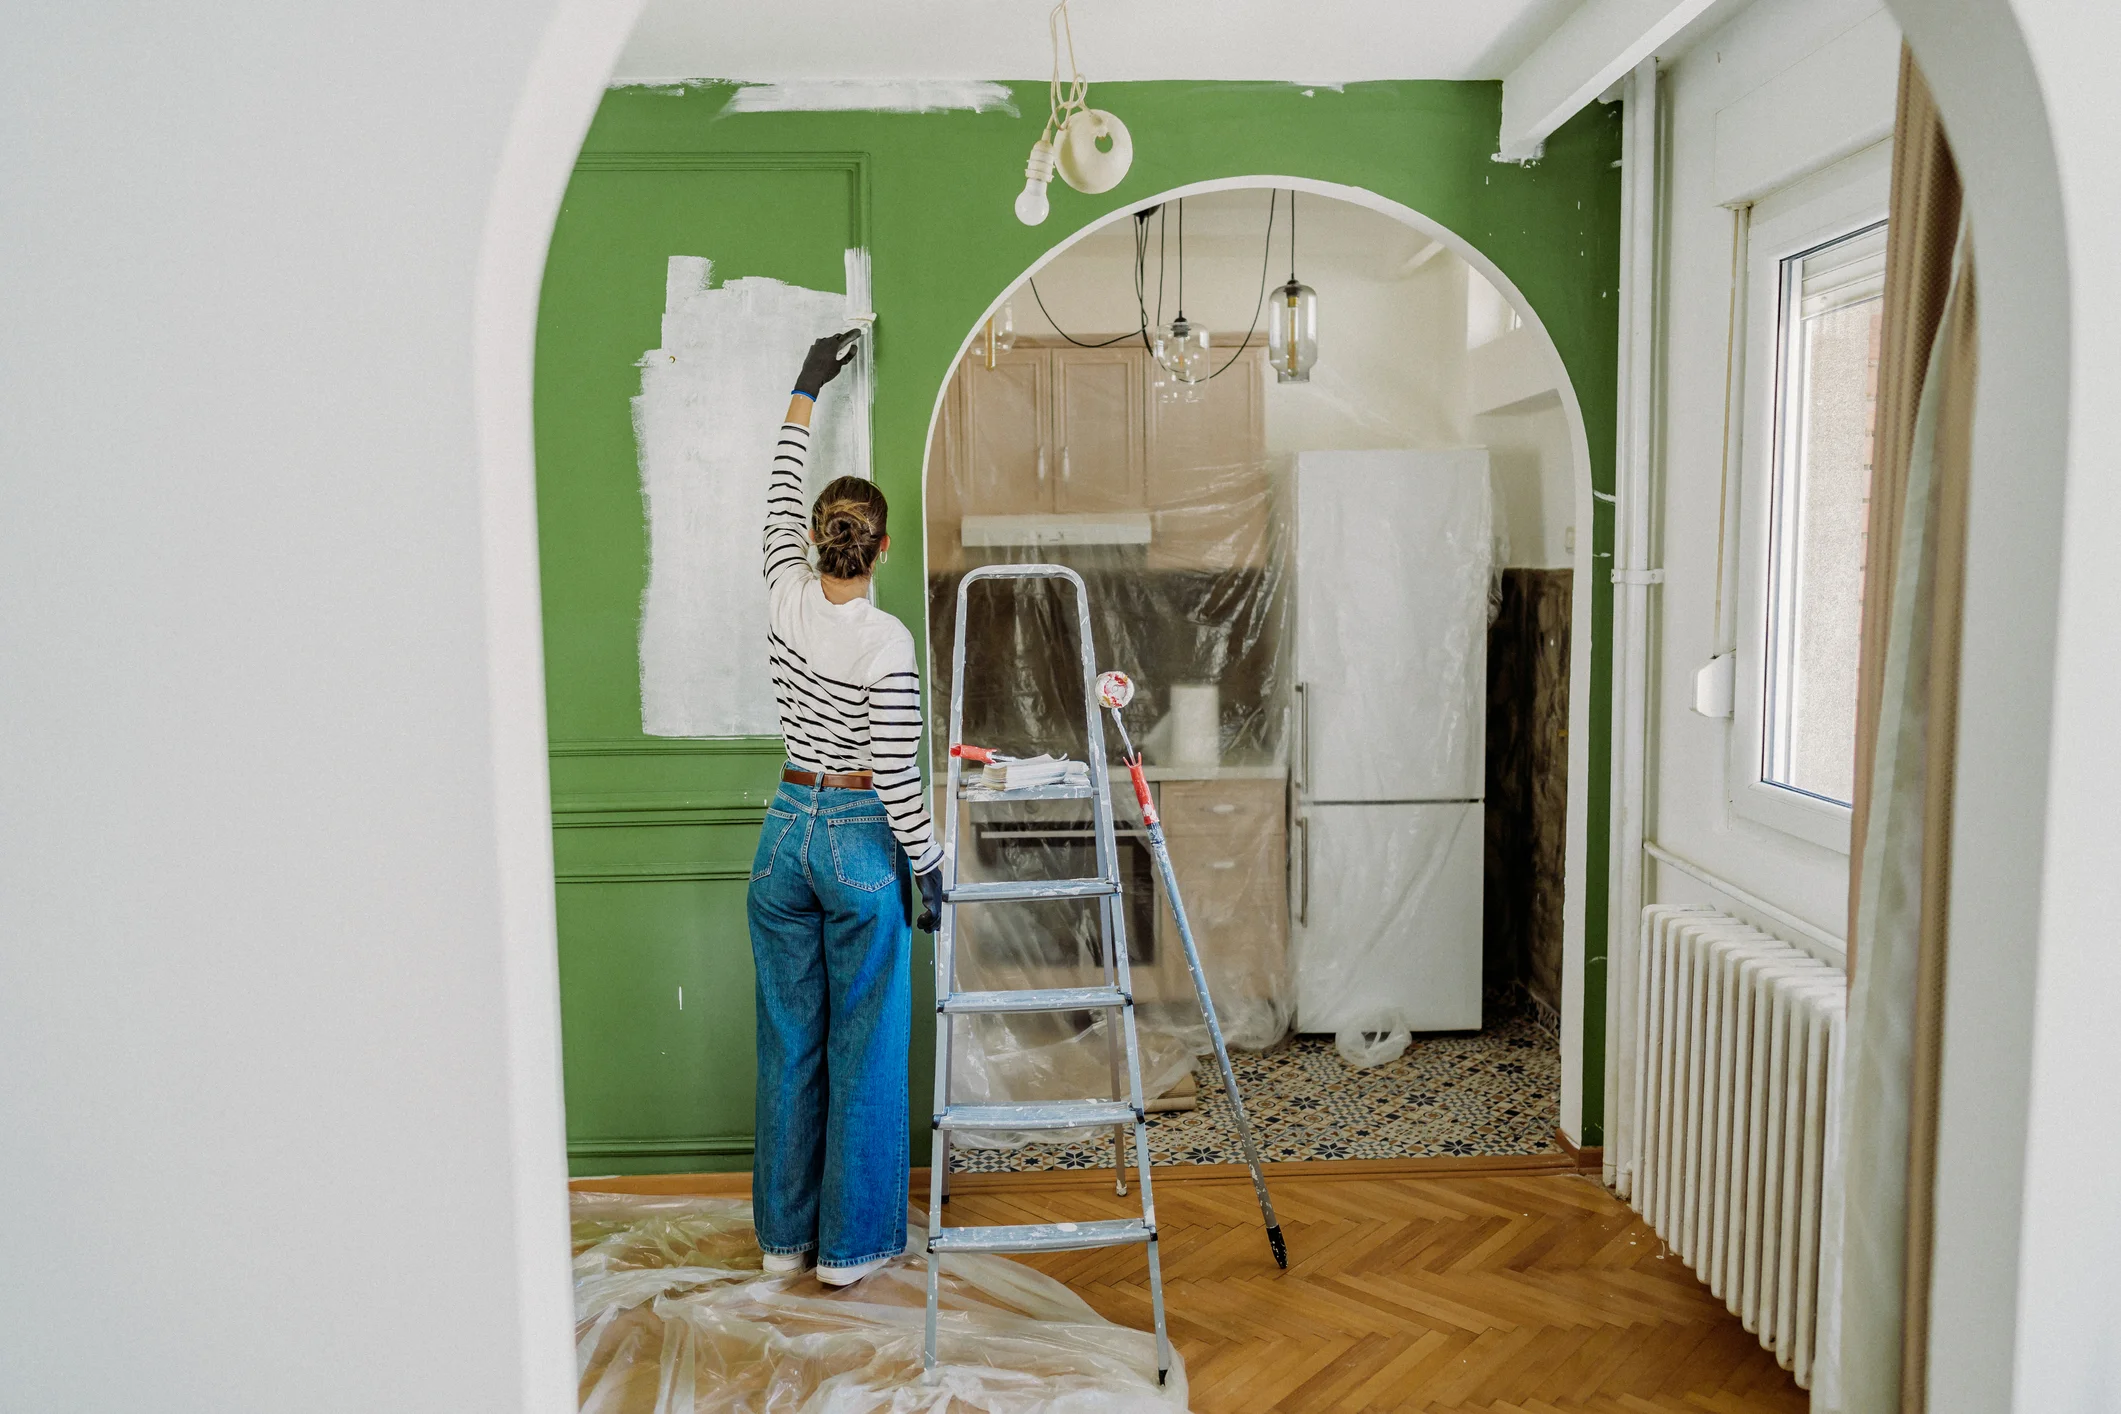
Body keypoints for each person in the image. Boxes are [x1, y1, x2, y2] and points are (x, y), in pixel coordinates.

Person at [747, 331, 947, 1286]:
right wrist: (934, 868)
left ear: (816, 540)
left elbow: (778, 490)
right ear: (881, 547)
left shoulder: (782, 593)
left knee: (791, 1044)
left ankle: (782, 1242)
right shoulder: (888, 643)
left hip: (783, 833)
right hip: (861, 838)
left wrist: (804, 387)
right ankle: (848, 1251)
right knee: (863, 1049)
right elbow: (896, 780)